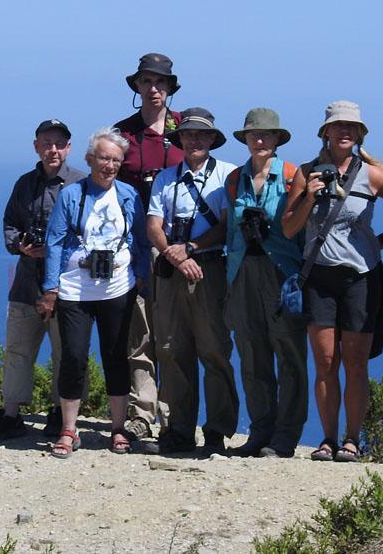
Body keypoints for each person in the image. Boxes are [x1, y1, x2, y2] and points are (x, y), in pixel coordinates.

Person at [282, 100, 383, 463]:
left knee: (356, 362)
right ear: (325, 132)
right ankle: (328, 439)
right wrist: (310, 196)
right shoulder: (307, 172)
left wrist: (382, 241)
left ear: (360, 134)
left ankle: (352, 439)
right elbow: (288, 228)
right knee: (326, 361)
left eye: (352, 127)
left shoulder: (373, 175)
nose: (345, 132)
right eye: (338, 126)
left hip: (361, 277)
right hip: (319, 276)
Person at [36, 127, 150, 458]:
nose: (109, 165)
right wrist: (51, 287)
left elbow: (140, 239)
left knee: (116, 357)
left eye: (116, 159)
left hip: (118, 288)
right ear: (89, 159)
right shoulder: (72, 195)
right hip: (75, 289)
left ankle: (117, 429)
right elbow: (54, 241)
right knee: (73, 356)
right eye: (103, 158)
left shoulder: (128, 195)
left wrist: (141, 275)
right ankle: (69, 430)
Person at [0, 119, 86, 443]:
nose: (52, 149)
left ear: (68, 147)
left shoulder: (82, 184)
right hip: (26, 283)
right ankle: (10, 414)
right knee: (17, 350)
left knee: (65, 352)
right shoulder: (24, 184)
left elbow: (91, 232)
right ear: (36, 146)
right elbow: (10, 223)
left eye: (59, 143)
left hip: (67, 285)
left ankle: (59, 414)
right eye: (46, 143)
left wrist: (56, 248)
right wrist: (20, 245)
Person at [144, 107, 239, 456]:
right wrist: (174, 254)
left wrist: (192, 249)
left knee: (214, 348)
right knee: (170, 349)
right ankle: (178, 430)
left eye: (201, 134)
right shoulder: (165, 178)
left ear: (213, 139)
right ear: (180, 139)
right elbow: (154, 224)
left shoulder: (228, 175)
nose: (194, 139)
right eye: (188, 134)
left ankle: (217, 430)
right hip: (171, 272)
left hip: (210, 268)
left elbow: (227, 223)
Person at [223, 108, 308, 459]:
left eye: (267, 135)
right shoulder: (234, 180)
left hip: (281, 272)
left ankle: (285, 436)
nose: (259, 140)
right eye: (253, 135)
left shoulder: (291, 176)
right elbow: (231, 231)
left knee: (289, 353)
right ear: (245, 140)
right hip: (244, 270)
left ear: (277, 140)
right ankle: (260, 432)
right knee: (252, 355)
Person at [113, 52, 185, 441]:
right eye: (146, 81)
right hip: (133, 248)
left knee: (173, 334)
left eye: (160, 82)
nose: (154, 88)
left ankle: (174, 415)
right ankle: (142, 413)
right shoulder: (122, 135)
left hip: (177, 248)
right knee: (138, 334)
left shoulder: (186, 132)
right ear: (137, 86)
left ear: (170, 88)